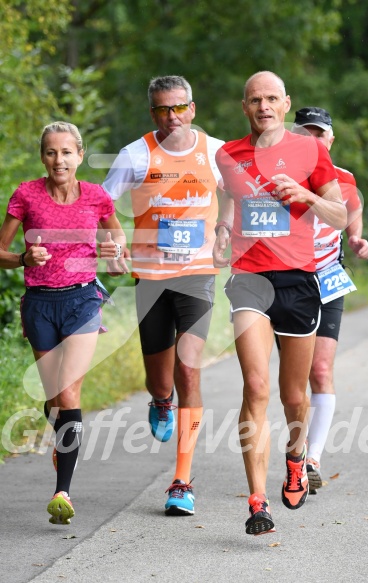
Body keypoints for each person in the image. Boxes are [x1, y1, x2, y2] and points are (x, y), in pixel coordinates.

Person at [213, 71, 346, 535]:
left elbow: (340, 214)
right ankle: (257, 501)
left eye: (271, 98)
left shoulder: (312, 151)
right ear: (244, 106)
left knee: (294, 397)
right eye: (254, 99)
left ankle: (295, 458)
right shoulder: (227, 154)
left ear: (286, 104)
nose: (263, 106)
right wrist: (222, 230)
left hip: (299, 281)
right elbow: (227, 201)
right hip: (249, 278)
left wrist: (307, 194)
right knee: (256, 386)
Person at [103, 75, 224, 516]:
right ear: (151, 112)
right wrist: (115, 245)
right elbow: (100, 204)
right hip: (151, 278)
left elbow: (240, 196)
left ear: (193, 108)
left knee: (189, 371)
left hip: (197, 276)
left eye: (178, 108)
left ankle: (182, 481)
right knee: (161, 378)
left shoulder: (216, 153)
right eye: (161, 110)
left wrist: (227, 229)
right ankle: (160, 400)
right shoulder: (135, 156)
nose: (170, 117)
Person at [0, 121, 128, 525]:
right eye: (52, 152)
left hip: (82, 301)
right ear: (43, 156)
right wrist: (23, 259)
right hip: (39, 305)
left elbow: (118, 248)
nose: (60, 160)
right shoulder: (26, 194)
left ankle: (62, 492)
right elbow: (0, 250)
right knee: (57, 399)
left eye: (67, 152)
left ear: (79, 155)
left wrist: (113, 251)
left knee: (70, 394)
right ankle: (57, 421)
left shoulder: (96, 196)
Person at [292, 107, 368, 492]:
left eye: (318, 134)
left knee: (320, 371)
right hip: (287, 283)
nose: (312, 141)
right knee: (294, 376)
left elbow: (352, 210)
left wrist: (356, 238)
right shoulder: (280, 177)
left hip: (328, 279)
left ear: (330, 140)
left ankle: (312, 458)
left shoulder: (345, 179)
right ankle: (294, 452)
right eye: (304, 134)